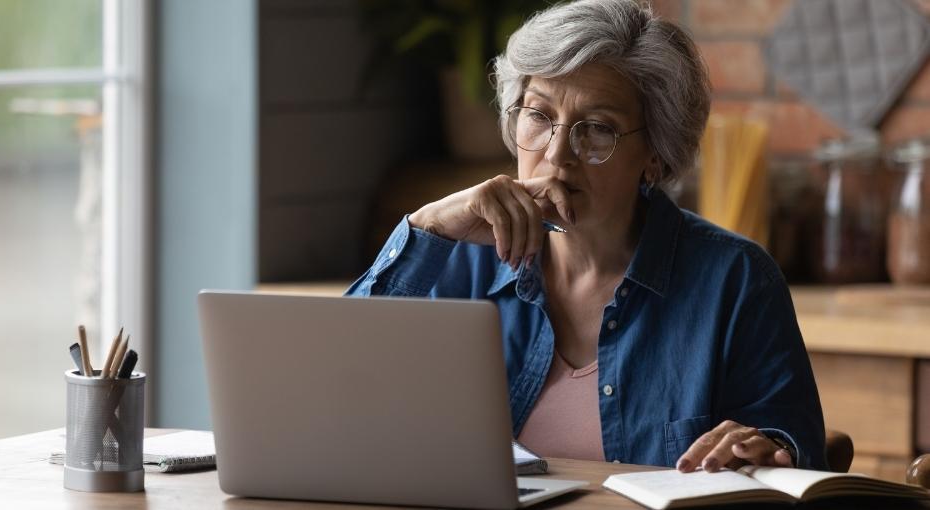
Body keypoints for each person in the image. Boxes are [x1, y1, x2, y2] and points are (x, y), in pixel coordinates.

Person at [347, 0, 828, 472]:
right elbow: (338, 387)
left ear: (655, 156)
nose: (558, 155)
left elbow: (792, 448)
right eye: (538, 115)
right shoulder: (457, 258)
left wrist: (765, 448)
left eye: (597, 128)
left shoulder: (735, 278)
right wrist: (428, 226)